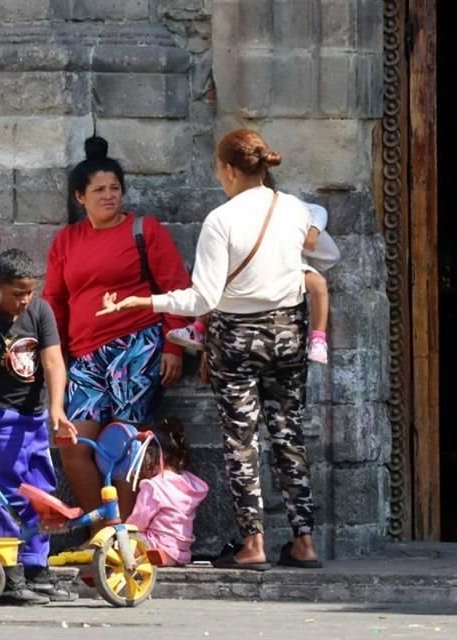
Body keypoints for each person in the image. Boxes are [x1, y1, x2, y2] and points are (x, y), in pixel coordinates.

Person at [97, 128, 322, 571]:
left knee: (241, 441)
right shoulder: (294, 209)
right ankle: (304, 540)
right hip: (288, 331)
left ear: (229, 169)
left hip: (237, 335)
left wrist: (147, 300)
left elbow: (202, 300)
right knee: (288, 434)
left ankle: (253, 543)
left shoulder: (221, 220)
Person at [43, 136, 192, 525]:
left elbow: (177, 287)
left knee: (122, 443)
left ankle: (126, 535)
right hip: (84, 355)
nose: (109, 196)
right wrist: (52, 355)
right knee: (73, 444)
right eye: (99, 190)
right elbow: (54, 302)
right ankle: (106, 531)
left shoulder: (145, 230)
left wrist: (174, 344)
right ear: (81, 197)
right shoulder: (67, 240)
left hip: (137, 344)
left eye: (115, 188)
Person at [0, 248, 76, 604]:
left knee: (42, 493)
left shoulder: (40, 312)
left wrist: (56, 409)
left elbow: (53, 362)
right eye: (17, 293)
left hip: (35, 417)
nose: (25, 300)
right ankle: (8, 574)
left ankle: (36, 568)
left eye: (30, 291)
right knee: (7, 495)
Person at [165, 192, 340, 365]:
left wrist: (314, 230)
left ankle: (318, 338)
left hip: (288, 265)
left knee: (318, 283)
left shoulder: (288, 206)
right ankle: (199, 328)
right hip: (251, 274)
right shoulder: (233, 215)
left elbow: (318, 211)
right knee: (217, 279)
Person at [125, 418, 208, 567]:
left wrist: (124, 530)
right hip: (181, 553)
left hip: (155, 546)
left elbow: (139, 520)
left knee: (122, 540)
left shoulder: (154, 486)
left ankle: (105, 568)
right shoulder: (189, 484)